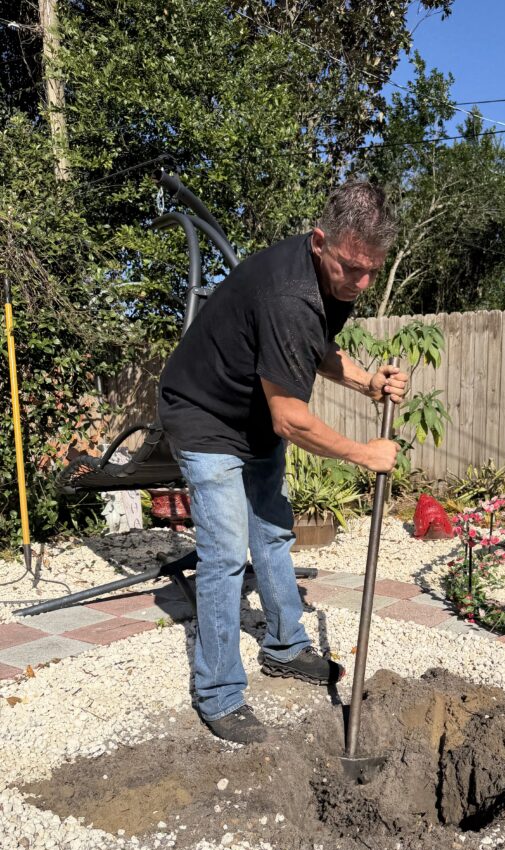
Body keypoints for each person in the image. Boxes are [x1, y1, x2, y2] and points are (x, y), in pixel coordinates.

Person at [158, 181, 407, 745]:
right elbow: (291, 419)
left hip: (252, 414)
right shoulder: (288, 292)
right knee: (226, 553)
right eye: (352, 269)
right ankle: (219, 692)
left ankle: (285, 648)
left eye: (372, 271)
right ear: (319, 242)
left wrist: (368, 382)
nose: (361, 284)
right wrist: (364, 453)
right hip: (202, 413)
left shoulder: (331, 280)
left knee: (271, 532)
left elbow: (314, 349)